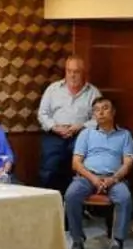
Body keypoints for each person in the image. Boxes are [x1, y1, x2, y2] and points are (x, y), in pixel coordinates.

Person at [64, 96, 133, 249]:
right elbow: (76, 163)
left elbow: (128, 163)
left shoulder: (125, 135)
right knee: (71, 195)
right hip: (88, 177)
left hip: (114, 178)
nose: (100, 113)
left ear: (113, 112)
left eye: (105, 108)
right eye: (96, 110)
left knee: (125, 197)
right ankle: (77, 238)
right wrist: (94, 179)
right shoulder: (86, 134)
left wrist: (113, 179)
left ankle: (117, 240)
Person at [36, 55, 99, 191]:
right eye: (69, 71)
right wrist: (54, 127)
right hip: (54, 134)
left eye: (76, 72)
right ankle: (48, 200)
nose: (72, 75)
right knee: (49, 168)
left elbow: (98, 119)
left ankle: (72, 200)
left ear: (83, 73)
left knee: (77, 170)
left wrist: (81, 126)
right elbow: (42, 114)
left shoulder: (93, 93)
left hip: (80, 135)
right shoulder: (53, 89)